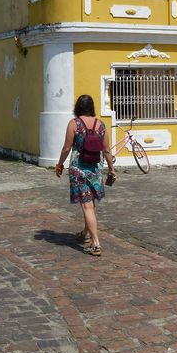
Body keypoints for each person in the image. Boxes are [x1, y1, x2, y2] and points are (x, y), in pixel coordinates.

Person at [54, 94, 116, 257]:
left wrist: (60, 164)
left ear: (78, 107)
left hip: (78, 169)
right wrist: (111, 169)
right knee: (90, 203)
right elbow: (107, 150)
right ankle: (85, 233)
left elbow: (67, 148)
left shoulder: (74, 124)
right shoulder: (100, 125)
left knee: (87, 205)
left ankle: (96, 244)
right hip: (95, 168)